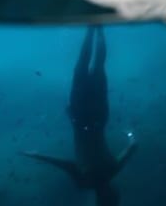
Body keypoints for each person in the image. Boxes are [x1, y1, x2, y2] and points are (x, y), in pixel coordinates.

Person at [22, 25, 137, 206]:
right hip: (80, 117)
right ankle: (94, 30)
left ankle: (96, 30)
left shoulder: (113, 170)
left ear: (113, 193)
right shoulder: (85, 182)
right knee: (82, 68)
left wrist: (129, 133)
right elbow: (65, 164)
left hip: (97, 117)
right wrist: (37, 155)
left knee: (95, 67)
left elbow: (133, 146)